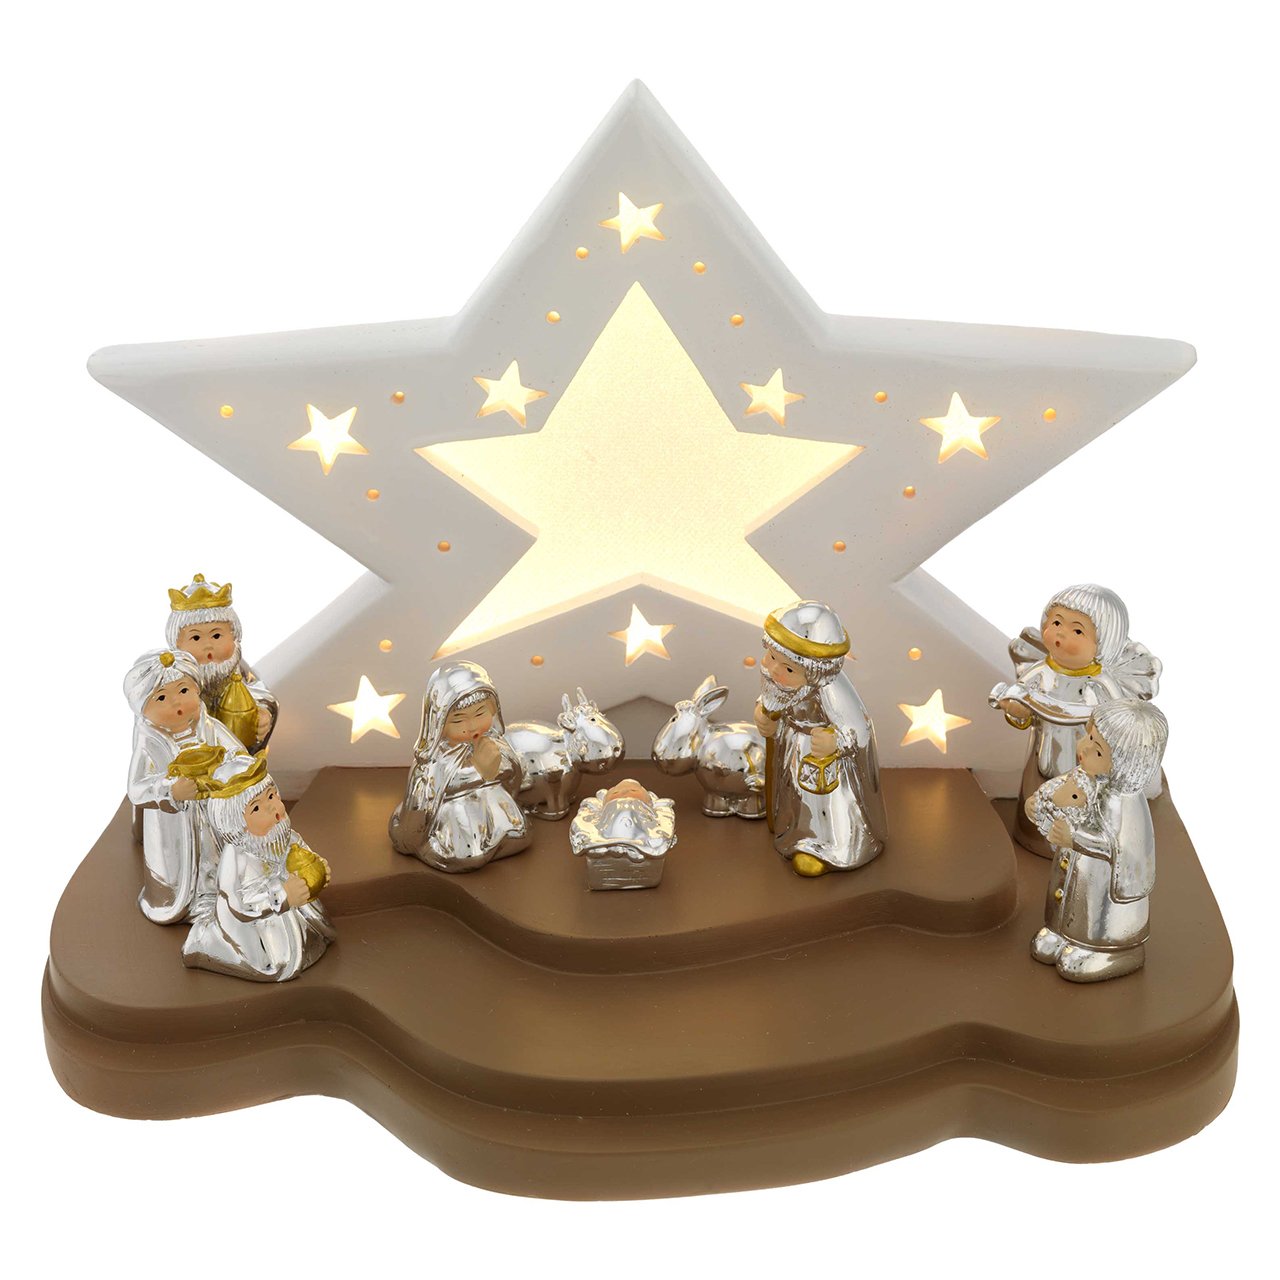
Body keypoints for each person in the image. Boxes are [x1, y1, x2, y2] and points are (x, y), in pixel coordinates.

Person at [989, 583, 1160, 856]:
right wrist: (1017, 710)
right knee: (1035, 794)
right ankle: (1031, 835)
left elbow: (1114, 727)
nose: (1060, 633)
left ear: (1103, 643)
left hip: (1086, 762)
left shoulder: (1102, 683)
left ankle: (1078, 846)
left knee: (1079, 803)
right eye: (1056, 622)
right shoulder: (1040, 673)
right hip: (1042, 754)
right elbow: (1022, 709)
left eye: (1077, 630)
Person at [1025, 699, 1169, 983]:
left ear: (1125, 764)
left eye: (1098, 750)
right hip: (1076, 871)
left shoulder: (1125, 803)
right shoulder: (1088, 775)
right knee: (1069, 909)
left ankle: (1112, 951)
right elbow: (1060, 792)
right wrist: (1038, 804)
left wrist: (1074, 837)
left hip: (1102, 887)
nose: (1084, 748)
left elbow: (1121, 847)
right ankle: (1060, 934)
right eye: (1089, 737)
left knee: (1091, 918)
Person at [752, 600, 887, 876]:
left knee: (821, 804)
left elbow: (858, 728)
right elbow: (772, 701)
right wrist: (765, 717)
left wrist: (835, 741)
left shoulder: (831, 689)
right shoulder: (778, 681)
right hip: (792, 748)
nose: (774, 670)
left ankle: (826, 847)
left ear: (815, 673)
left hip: (821, 759)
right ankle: (791, 833)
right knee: (794, 800)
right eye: (771, 657)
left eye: (789, 669)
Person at [183, 752, 335, 982]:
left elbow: (301, 851)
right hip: (253, 920)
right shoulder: (237, 859)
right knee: (275, 962)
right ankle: (204, 943)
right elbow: (239, 903)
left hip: (289, 904)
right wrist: (282, 897)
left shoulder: (283, 834)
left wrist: (317, 867)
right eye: (256, 808)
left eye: (271, 795)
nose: (273, 808)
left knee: (316, 927)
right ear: (237, 825)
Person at [124, 648, 242, 923]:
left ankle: (226, 893)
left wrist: (232, 771)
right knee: (192, 865)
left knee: (223, 858)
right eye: (161, 698)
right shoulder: (149, 742)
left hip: (216, 813)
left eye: (184, 690)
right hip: (175, 827)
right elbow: (136, 789)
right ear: (143, 708)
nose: (176, 702)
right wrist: (170, 790)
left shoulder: (209, 727)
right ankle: (195, 900)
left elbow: (238, 754)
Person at [388, 661, 531, 872]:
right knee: (468, 855)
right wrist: (480, 771)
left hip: (493, 807)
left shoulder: (493, 742)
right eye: (458, 721)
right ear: (439, 723)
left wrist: (495, 768)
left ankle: (501, 833)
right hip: (456, 814)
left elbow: (512, 772)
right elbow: (428, 794)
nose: (472, 727)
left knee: (520, 835)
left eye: (480, 714)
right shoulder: (434, 759)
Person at [166, 572, 278, 752]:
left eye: (217, 635)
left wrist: (263, 712)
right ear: (176, 645)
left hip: (238, 751)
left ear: (234, 636)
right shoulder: (171, 677)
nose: (208, 645)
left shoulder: (236, 668)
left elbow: (258, 689)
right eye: (196, 638)